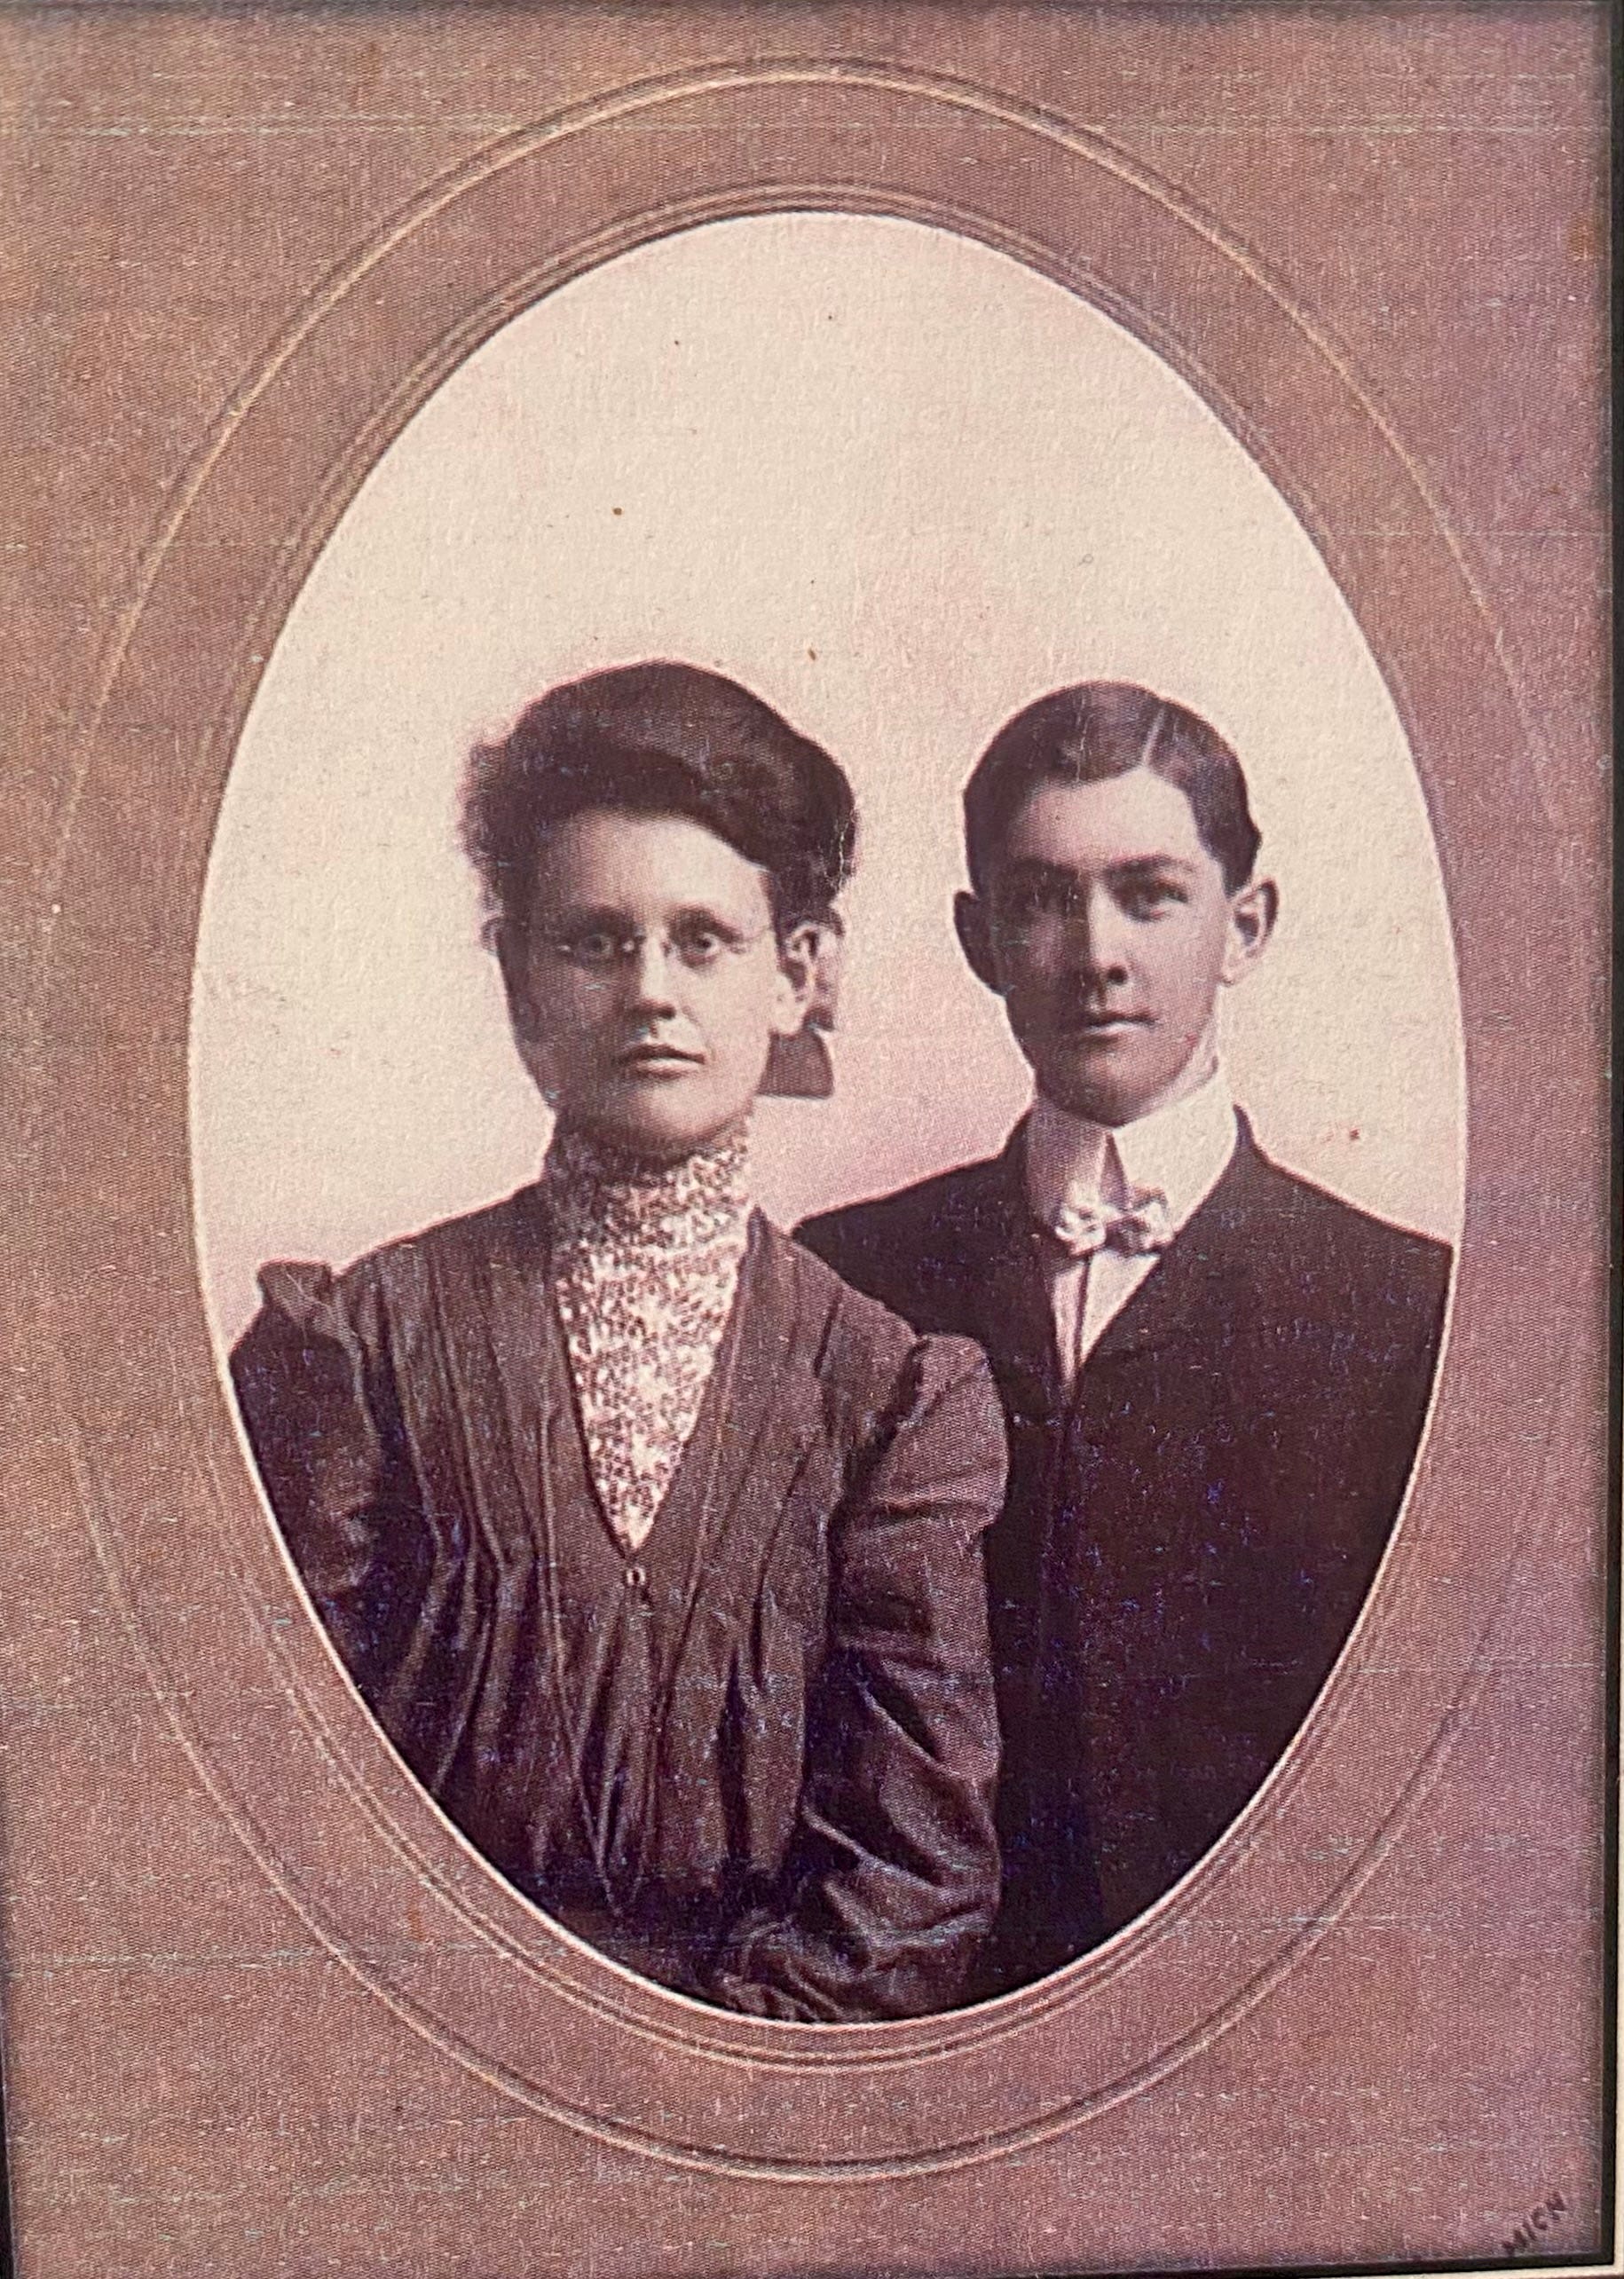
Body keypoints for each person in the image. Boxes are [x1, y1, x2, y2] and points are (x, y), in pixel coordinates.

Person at [231, 660, 1005, 2023]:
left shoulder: (890, 1398)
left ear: (797, 974)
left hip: (761, 2084)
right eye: (594, 942)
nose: (650, 989)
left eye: (702, 940)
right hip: (410, 2048)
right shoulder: (361, 1348)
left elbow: (911, 1871)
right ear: (518, 981)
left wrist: (702, 2076)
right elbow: (268, 1792)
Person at [798, 681, 1452, 1989]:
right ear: (980, 939)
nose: (1095, 953)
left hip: (1267, 2014)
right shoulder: (845, 1283)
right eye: (1043, 899)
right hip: (917, 2015)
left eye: (1150, 895)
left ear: (1244, 924)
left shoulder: (1406, 1311)